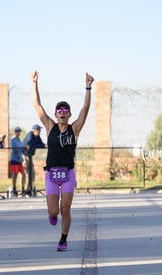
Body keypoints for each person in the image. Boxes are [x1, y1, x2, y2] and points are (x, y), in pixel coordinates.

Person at [31, 70, 94, 251]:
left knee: (65, 208)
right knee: (54, 211)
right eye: (59, 110)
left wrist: (88, 87)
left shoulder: (74, 128)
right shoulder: (50, 127)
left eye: (65, 110)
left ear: (69, 114)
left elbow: (85, 110)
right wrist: (34, 83)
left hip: (68, 173)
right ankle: (52, 215)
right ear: (56, 114)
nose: (62, 113)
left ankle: (63, 239)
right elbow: (37, 106)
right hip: (51, 173)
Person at [22, 124, 46, 196]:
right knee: (26, 173)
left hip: (30, 156)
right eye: (38, 130)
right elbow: (32, 144)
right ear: (34, 130)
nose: (39, 131)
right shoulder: (30, 135)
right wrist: (42, 145)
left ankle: (30, 189)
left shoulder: (37, 136)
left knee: (32, 173)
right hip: (25, 156)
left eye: (39, 130)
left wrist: (44, 145)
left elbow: (40, 143)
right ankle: (25, 190)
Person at [9, 126, 26, 197]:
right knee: (14, 174)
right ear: (14, 132)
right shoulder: (12, 139)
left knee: (23, 174)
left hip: (19, 160)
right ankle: (14, 188)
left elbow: (21, 149)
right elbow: (15, 148)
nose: (17, 133)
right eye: (16, 131)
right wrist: (22, 148)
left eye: (19, 131)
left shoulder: (19, 140)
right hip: (14, 159)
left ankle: (22, 189)